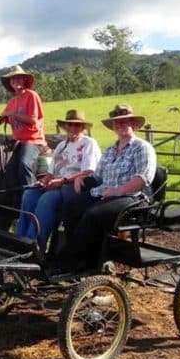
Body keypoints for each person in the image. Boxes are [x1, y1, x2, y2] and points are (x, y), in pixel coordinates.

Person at [58, 104, 157, 271]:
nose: (120, 125)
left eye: (124, 122)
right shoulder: (111, 150)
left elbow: (142, 179)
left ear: (133, 123)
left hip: (132, 197)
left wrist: (118, 191)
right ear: (113, 126)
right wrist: (82, 178)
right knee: (70, 206)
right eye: (117, 123)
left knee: (93, 214)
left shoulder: (142, 147)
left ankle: (82, 262)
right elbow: (98, 176)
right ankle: (75, 256)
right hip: (106, 193)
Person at [15, 109, 101, 252]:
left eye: (77, 125)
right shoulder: (61, 146)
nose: (73, 128)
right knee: (29, 194)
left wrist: (63, 180)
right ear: (65, 126)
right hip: (57, 184)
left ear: (83, 128)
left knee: (47, 199)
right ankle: (19, 240)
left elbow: (88, 172)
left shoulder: (88, 144)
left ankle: (34, 246)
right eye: (70, 125)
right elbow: (51, 172)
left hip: (76, 187)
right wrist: (43, 181)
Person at [0, 65, 47, 188]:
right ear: (10, 83)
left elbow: (33, 120)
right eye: (13, 79)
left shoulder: (31, 95)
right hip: (17, 141)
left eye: (18, 78)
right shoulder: (12, 102)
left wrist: (14, 114)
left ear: (24, 80)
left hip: (33, 140)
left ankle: (31, 192)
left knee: (24, 163)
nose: (15, 81)